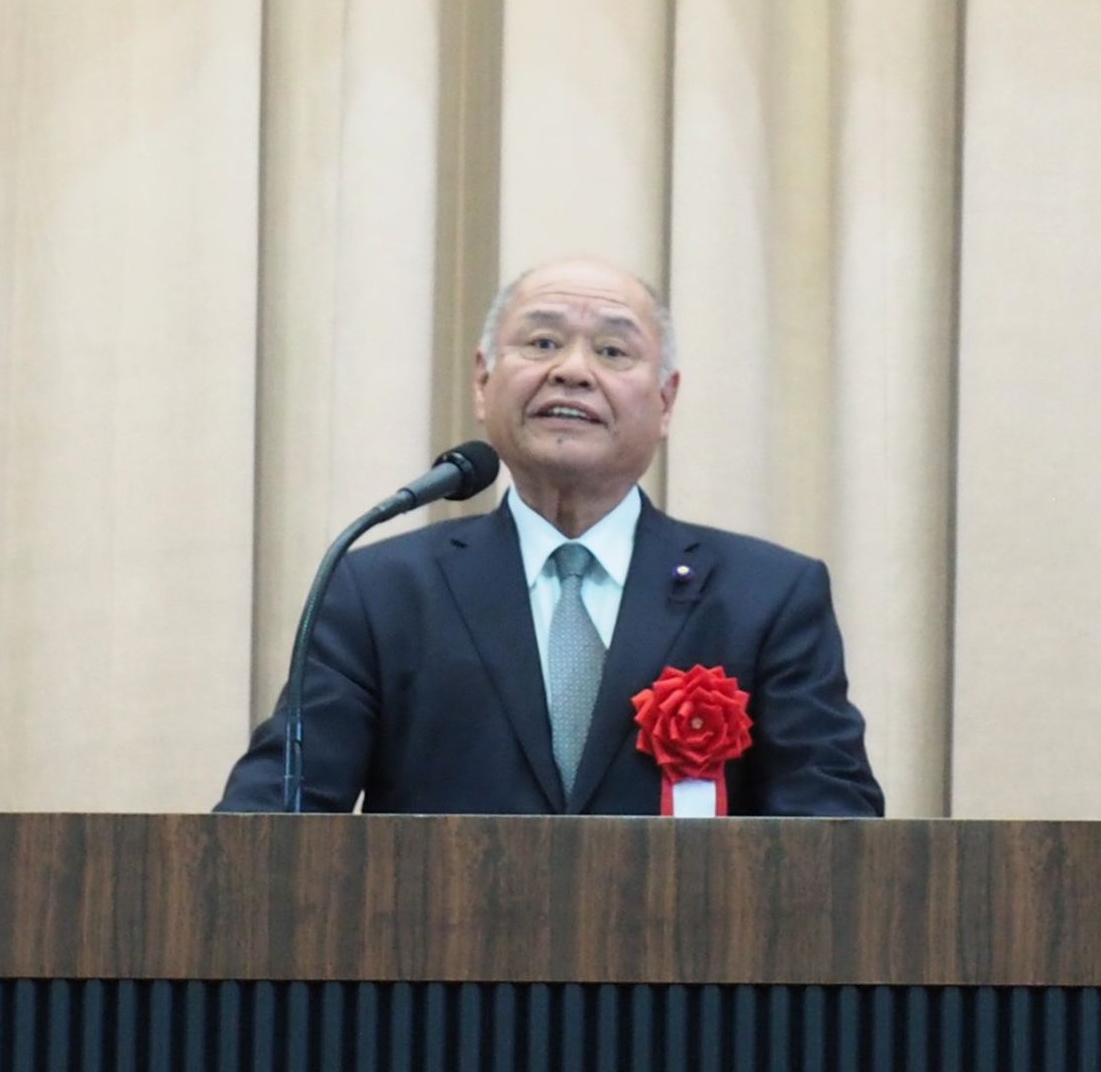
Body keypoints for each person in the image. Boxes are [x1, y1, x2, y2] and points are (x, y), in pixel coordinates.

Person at [217, 257, 884, 816]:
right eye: (540, 343)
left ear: (666, 400)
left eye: (613, 350)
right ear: (483, 381)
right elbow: (275, 821)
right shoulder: (380, 591)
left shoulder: (765, 596)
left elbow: (832, 832)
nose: (571, 369)